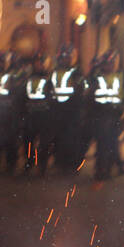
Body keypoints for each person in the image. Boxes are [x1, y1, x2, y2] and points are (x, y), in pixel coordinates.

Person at [88, 50, 124, 180]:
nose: (111, 66)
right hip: (101, 114)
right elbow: (90, 96)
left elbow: (123, 93)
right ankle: (101, 170)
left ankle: (111, 167)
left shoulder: (119, 76)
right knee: (103, 143)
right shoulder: (96, 77)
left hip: (115, 114)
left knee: (113, 143)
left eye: (112, 63)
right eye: (109, 64)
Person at [48, 44, 86, 174]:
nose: (67, 60)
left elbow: (81, 91)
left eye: (69, 57)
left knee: (72, 139)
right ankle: (60, 162)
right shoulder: (54, 71)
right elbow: (49, 88)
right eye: (65, 57)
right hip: (57, 110)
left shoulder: (77, 72)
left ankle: (72, 164)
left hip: (72, 111)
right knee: (58, 139)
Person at [23, 53, 52, 175]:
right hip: (31, 114)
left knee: (44, 143)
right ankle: (29, 163)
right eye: (37, 63)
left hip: (44, 115)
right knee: (28, 141)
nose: (39, 65)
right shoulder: (28, 78)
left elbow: (52, 97)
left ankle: (42, 166)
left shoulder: (49, 79)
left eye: (41, 63)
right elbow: (23, 96)